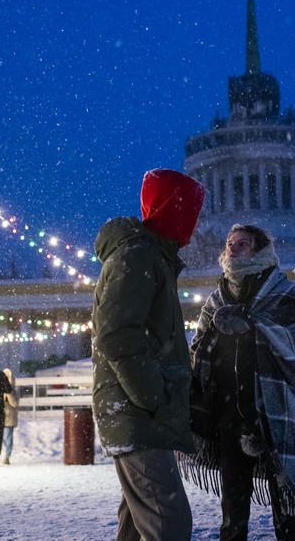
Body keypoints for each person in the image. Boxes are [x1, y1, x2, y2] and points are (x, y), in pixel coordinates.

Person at [182, 224, 295, 541]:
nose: (233, 249)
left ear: (260, 250)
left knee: (287, 517)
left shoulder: (284, 293)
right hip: (230, 418)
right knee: (232, 516)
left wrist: (250, 323)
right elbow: (198, 351)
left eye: (242, 244)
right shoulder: (216, 298)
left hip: (276, 416)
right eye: (230, 243)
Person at [91, 168, 204, 541]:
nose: (195, 219)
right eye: (189, 208)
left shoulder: (153, 257)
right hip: (137, 415)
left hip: (138, 415)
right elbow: (117, 334)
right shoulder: (139, 256)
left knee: (139, 525)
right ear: (172, 208)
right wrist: (152, 396)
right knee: (167, 523)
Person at [1, 368, 19, 465]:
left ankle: (7, 456)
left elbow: (14, 403)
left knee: (8, 437)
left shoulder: (14, 390)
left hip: (10, 417)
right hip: (1, 415)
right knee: (0, 437)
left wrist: (8, 393)